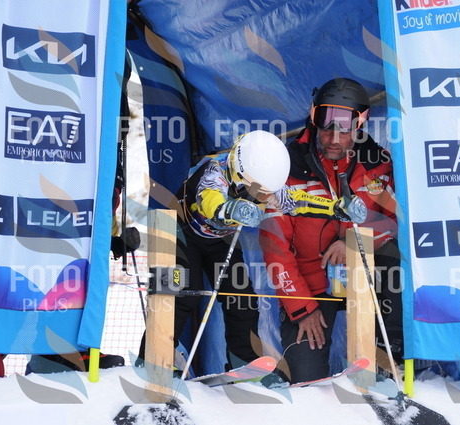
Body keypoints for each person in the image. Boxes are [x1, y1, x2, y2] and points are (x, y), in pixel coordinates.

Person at [137, 130, 365, 373]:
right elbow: (210, 200)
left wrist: (335, 207)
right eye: (258, 192)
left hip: (219, 240)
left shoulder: (264, 182)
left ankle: (243, 365)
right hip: (176, 233)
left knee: (241, 299)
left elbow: (297, 201)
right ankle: (152, 360)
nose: (264, 197)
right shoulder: (215, 172)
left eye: (267, 192)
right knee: (180, 295)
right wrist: (230, 209)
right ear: (240, 173)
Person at [259, 78, 402, 384]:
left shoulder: (377, 164)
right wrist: (301, 309)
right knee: (306, 379)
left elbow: (392, 223)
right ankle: (293, 373)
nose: (334, 139)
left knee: (394, 258)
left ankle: (390, 358)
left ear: (360, 125)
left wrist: (353, 242)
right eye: (326, 128)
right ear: (314, 118)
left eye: (345, 130)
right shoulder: (286, 168)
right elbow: (275, 247)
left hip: (363, 277)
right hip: (310, 286)